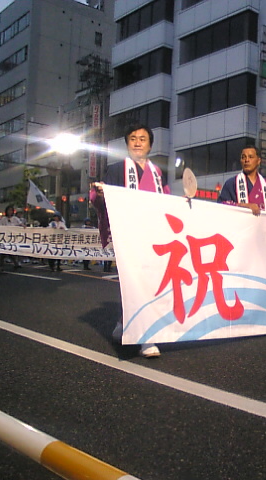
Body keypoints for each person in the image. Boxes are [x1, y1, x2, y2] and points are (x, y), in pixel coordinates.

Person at [91, 123, 169, 358]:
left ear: (150, 145)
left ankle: (124, 323)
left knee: (150, 285)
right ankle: (146, 337)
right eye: (133, 138)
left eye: (142, 139)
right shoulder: (117, 170)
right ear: (127, 144)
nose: (137, 143)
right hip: (129, 236)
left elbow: (166, 201)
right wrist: (99, 193)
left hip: (154, 237)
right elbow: (101, 198)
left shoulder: (158, 173)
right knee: (137, 284)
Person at [218, 145, 266, 219]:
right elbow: (221, 206)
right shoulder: (231, 183)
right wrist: (243, 205)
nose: (246, 160)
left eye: (250, 157)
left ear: (258, 161)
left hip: (262, 225)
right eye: (243, 157)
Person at [0, 205, 23, 270]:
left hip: (13, 238)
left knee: (13, 251)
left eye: (11, 210)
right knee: (3, 252)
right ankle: (1, 266)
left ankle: (16, 263)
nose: (10, 212)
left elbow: (21, 224)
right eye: (9, 210)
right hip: (5, 237)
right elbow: (0, 227)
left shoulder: (15, 218)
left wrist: (23, 227)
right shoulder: (3, 219)